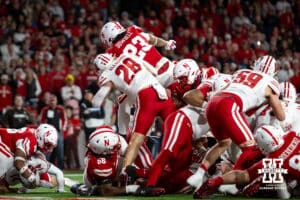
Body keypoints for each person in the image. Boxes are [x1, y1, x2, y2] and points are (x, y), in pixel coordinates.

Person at [187, 55, 286, 191]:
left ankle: (199, 174)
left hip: (212, 103)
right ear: (273, 72)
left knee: (223, 144)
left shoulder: (241, 72)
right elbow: (280, 116)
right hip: (230, 105)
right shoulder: (270, 82)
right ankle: (231, 183)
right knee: (250, 148)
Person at [93, 53, 176, 174]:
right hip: (160, 91)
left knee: (135, 140)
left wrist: (96, 100)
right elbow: (152, 70)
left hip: (146, 96)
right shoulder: (127, 55)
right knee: (177, 132)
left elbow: (99, 99)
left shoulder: (106, 74)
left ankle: (124, 173)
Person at [194, 125, 299, 199]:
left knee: (281, 187)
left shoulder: (271, 160)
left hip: (289, 181)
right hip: (290, 175)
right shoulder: (293, 135)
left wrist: (215, 181)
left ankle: (265, 181)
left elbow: (239, 176)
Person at [70, 126, 161, 196]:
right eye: (114, 147)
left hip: (112, 166)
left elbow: (129, 160)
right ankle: (92, 189)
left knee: (131, 161)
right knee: (107, 188)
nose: (118, 146)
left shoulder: (116, 140)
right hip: (100, 181)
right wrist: (133, 189)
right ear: (104, 152)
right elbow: (106, 190)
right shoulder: (98, 161)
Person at [100, 21, 176, 88]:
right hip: (168, 66)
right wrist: (166, 43)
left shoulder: (112, 52)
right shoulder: (133, 30)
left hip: (154, 81)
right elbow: (152, 39)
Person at [0, 124, 58, 192]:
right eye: (48, 145)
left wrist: (44, 180)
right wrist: (31, 178)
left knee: (16, 164)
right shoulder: (31, 140)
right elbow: (18, 163)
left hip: (4, 146)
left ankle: (2, 184)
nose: (49, 150)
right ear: (40, 138)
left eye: (51, 146)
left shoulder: (35, 141)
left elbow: (52, 181)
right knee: (9, 158)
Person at [40, 94, 67, 170]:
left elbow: (64, 120)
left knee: (60, 151)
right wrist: (44, 131)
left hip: (58, 132)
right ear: (48, 101)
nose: (52, 102)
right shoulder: (45, 110)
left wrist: (63, 129)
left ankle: (61, 168)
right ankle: (46, 167)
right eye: (50, 101)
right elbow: (42, 121)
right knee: (48, 152)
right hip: (48, 134)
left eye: (53, 100)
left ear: (56, 101)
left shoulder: (60, 109)